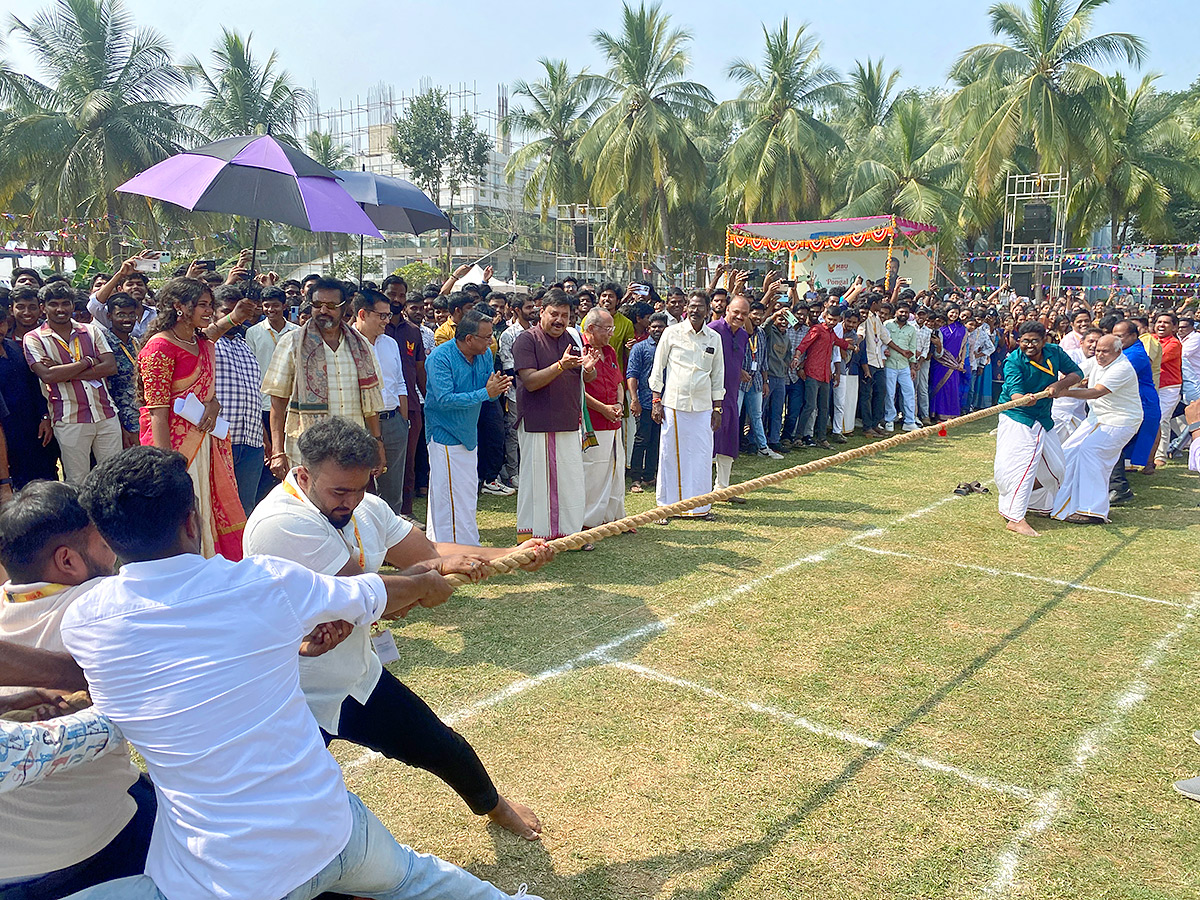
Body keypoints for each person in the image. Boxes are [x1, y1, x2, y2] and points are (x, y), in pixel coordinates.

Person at [61, 446, 542, 900]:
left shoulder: (84, 622)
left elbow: (184, 659)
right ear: (193, 519)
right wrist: (425, 584)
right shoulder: (262, 580)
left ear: (103, 538)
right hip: (331, 837)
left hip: (216, 877)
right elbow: (373, 593)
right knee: (418, 877)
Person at [243, 419, 549, 843]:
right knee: (283, 805)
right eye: (338, 492)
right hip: (291, 693)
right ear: (303, 474)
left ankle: (496, 808)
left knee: (442, 746)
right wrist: (419, 583)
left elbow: (429, 554)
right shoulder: (282, 523)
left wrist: (511, 554)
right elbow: (366, 598)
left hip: (355, 675)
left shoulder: (363, 505)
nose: (349, 502)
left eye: (359, 488)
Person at [0, 481, 154, 899]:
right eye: (103, 542)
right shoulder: (105, 601)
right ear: (67, 560)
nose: (114, 552)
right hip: (86, 852)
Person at [138, 278, 247, 560]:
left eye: (210, 305)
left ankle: (211, 561)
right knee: (183, 506)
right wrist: (166, 465)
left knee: (208, 504)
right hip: (175, 446)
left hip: (207, 440)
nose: (209, 310)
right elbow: (157, 411)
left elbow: (208, 391)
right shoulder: (159, 348)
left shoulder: (201, 342)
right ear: (179, 307)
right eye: (202, 305)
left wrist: (213, 404)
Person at [262, 277, 386, 481]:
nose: (323, 311)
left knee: (348, 505)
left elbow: (371, 404)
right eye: (317, 305)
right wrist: (277, 452)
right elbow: (278, 402)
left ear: (344, 308)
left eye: (330, 306)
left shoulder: (362, 346)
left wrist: (378, 443)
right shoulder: (292, 343)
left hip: (352, 446)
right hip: (308, 449)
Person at [512, 289, 599, 541]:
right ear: (542, 313)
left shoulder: (572, 337)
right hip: (539, 422)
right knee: (538, 482)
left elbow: (583, 376)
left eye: (565, 315)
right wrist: (559, 365)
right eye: (554, 314)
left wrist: (590, 369)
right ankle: (535, 537)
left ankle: (569, 535)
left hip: (568, 420)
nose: (560, 320)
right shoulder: (527, 340)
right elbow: (529, 381)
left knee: (571, 482)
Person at [424, 311, 510, 544]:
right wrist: (486, 393)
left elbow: (488, 395)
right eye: (486, 337)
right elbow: (444, 400)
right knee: (450, 495)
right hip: (445, 435)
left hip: (469, 435)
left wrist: (496, 390)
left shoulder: (483, 356)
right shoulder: (440, 357)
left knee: (464, 494)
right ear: (469, 338)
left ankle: (444, 543)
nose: (491, 342)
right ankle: (458, 547)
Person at [23, 281, 120, 485]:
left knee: (113, 478)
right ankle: (83, 519)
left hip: (105, 414)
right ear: (43, 308)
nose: (60, 309)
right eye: (54, 304)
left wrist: (62, 370)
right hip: (69, 417)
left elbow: (111, 367)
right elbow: (48, 376)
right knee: (78, 480)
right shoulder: (33, 338)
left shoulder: (90, 331)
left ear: (72, 305)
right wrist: (88, 361)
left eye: (65, 303)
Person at [993, 322, 1083, 537]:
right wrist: (1023, 399)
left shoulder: (1055, 352)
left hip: (1044, 417)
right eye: (1025, 341)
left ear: (1044, 340)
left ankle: (1036, 503)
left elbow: (1076, 374)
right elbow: (1014, 392)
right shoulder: (1014, 360)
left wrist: (1058, 386)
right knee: (1022, 467)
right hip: (1018, 418)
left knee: (1057, 468)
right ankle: (1015, 517)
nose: (1029, 345)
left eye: (1035, 341)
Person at [649, 290, 725, 523]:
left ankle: (700, 507)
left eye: (700, 307)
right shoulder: (672, 333)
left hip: (703, 407)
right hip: (673, 404)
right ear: (686, 308)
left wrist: (717, 408)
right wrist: (656, 400)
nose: (695, 310)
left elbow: (718, 374)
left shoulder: (713, 338)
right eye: (691, 306)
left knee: (701, 456)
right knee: (669, 455)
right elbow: (658, 368)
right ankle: (665, 508)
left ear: (707, 309)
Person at [1051, 334, 1143, 524]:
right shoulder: (1095, 362)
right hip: (1096, 418)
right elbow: (1076, 375)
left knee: (1091, 453)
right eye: (1098, 350)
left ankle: (1093, 511)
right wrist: (1057, 385)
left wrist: (1063, 392)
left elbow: (1096, 392)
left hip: (1120, 421)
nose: (1100, 355)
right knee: (1068, 452)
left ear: (1118, 351)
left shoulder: (1122, 368)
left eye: (1105, 351)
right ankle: (1059, 502)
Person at [352, 289, 410, 516]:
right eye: (382, 316)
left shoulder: (390, 343)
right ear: (363, 314)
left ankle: (391, 537)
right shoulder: (347, 343)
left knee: (392, 488)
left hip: (393, 420)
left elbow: (400, 383)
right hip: (360, 422)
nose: (387, 321)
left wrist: (402, 420)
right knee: (356, 483)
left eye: (388, 315)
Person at [210, 285, 266, 516]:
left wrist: (264, 438)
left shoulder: (243, 345)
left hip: (252, 442)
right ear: (213, 313)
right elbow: (208, 335)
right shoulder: (204, 343)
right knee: (219, 508)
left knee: (246, 508)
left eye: (240, 312)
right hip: (221, 438)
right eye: (227, 312)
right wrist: (233, 318)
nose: (236, 318)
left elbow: (252, 394)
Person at [0, 293, 59, 487]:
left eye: (1, 324)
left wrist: (44, 416)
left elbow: (34, 385)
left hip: (35, 426)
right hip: (7, 430)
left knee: (46, 476)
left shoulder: (14, 347)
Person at [382, 281, 430, 520]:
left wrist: (430, 399)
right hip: (379, 406)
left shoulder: (413, 331)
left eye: (402, 295)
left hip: (410, 405)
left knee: (407, 463)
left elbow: (419, 369)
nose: (397, 299)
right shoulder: (373, 329)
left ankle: (406, 513)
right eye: (393, 294)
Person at [246, 285, 300, 491]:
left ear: (284, 306)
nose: (270, 310)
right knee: (268, 456)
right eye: (266, 306)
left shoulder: (297, 332)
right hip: (263, 403)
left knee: (291, 452)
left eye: (275, 306)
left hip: (291, 402)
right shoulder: (253, 333)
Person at [581, 308, 626, 529]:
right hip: (593, 422)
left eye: (612, 329)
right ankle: (589, 520)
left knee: (616, 470)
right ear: (591, 329)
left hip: (614, 421)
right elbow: (578, 390)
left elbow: (618, 381)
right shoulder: (580, 350)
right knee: (594, 472)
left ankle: (613, 515)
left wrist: (618, 403)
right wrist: (603, 408)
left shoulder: (609, 351)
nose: (611, 334)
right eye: (607, 329)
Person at [1109, 319, 1161, 504]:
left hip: (1141, 403)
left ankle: (1119, 487)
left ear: (1133, 336)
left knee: (1114, 442)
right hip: (1127, 403)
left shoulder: (1136, 354)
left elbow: (1111, 376)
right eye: (1113, 335)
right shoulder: (1124, 351)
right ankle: (1116, 485)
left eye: (1120, 336)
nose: (1116, 339)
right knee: (1116, 444)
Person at [793, 306, 853, 449]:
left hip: (825, 375)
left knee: (824, 408)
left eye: (835, 320)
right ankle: (798, 437)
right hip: (813, 373)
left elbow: (840, 342)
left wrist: (852, 346)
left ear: (839, 320)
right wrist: (796, 356)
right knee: (810, 406)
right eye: (830, 319)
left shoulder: (831, 334)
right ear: (825, 317)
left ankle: (821, 438)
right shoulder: (817, 329)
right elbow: (804, 344)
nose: (832, 322)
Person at [707, 296, 751, 493]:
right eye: (736, 312)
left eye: (744, 314)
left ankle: (722, 488)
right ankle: (702, 489)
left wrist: (738, 371)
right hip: (710, 397)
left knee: (729, 442)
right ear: (727, 310)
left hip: (732, 396)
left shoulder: (743, 335)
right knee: (709, 442)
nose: (739, 316)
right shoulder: (713, 330)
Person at [497, 293, 535, 488]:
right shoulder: (508, 334)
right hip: (515, 393)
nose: (533, 310)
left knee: (532, 432)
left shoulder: (537, 331)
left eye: (533, 306)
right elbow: (509, 368)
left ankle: (531, 470)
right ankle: (513, 473)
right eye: (528, 307)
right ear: (517, 310)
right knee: (513, 434)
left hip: (537, 392)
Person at [627, 312, 667, 494]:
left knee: (657, 440)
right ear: (648, 328)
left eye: (661, 326)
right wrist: (634, 399)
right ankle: (635, 478)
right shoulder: (640, 348)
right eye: (654, 326)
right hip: (644, 401)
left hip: (665, 402)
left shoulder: (670, 347)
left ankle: (650, 475)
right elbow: (632, 374)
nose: (657, 330)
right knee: (642, 439)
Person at [99, 293, 142, 450]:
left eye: (131, 314)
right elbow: (104, 387)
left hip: (142, 416)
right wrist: (120, 425)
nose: (127, 319)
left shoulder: (136, 342)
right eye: (121, 315)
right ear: (110, 316)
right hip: (119, 419)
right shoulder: (103, 343)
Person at [882, 303, 919, 432]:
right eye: (901, 312)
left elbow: (912, 348)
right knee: (890, 393)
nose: (903, 314)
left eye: (906, 312)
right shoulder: (887, 325)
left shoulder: (911, 329)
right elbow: (882, 342)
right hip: (889, 364)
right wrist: (884, 351)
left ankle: (909, 421)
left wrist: (913, 367)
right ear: (896, 312)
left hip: (904, 366)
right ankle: (889, 419)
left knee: (909, 392)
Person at [1152, 311, 1182, 466]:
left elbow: (1156, 358)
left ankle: (1160, 456)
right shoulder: (1151, 339)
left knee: (1162, 418)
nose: (1161, 325)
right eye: (1159, 322)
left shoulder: (1174, 343)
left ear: (1174, 327)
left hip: (1169, 387)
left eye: (1166, 323)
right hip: (1153, 385)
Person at [930, 305, 968, 421]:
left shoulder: (961, 329)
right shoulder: (940, 328)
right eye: (952, 312)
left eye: (956, 313)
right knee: (938, 387)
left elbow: (963, 347)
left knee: (952, 388)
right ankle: (937, 413)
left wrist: (961, 362)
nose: (954, 315)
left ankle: (951, 413)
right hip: (939, 362)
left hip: (954, 364)